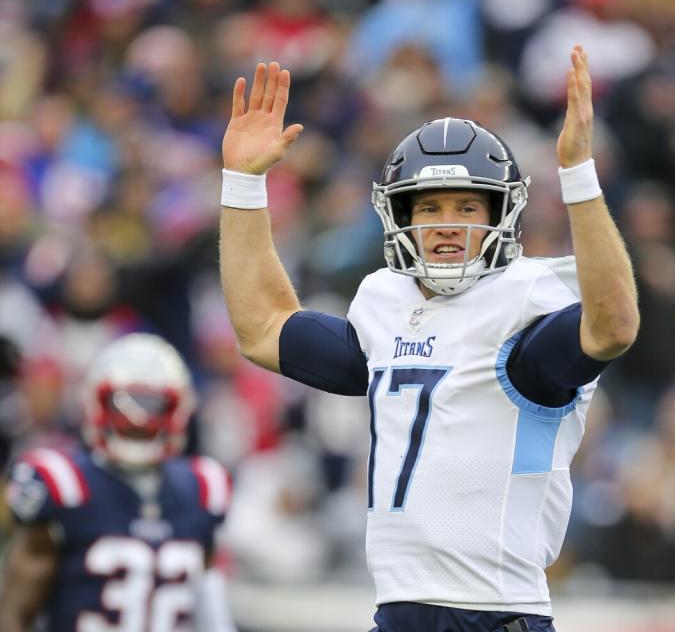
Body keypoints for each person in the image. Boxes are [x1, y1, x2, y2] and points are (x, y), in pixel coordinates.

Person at [219, 46, 638, 632]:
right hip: (395, 614)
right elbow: (263, 328)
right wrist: (243, 184)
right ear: (400, 217)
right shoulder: (386, 304)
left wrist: (578, 176)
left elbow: (613, 326)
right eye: (430, 206)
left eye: (468, 206)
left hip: (494, 615)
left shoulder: (523, 304)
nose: (447, 222)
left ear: (501, 216)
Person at [0, 333, 236, 631]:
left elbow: (209, 611)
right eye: (123, 403)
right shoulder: (64, 485)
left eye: (153, 405)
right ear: (94, 403)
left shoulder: (203, 489)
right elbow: (15, 613)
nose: (137, 420)